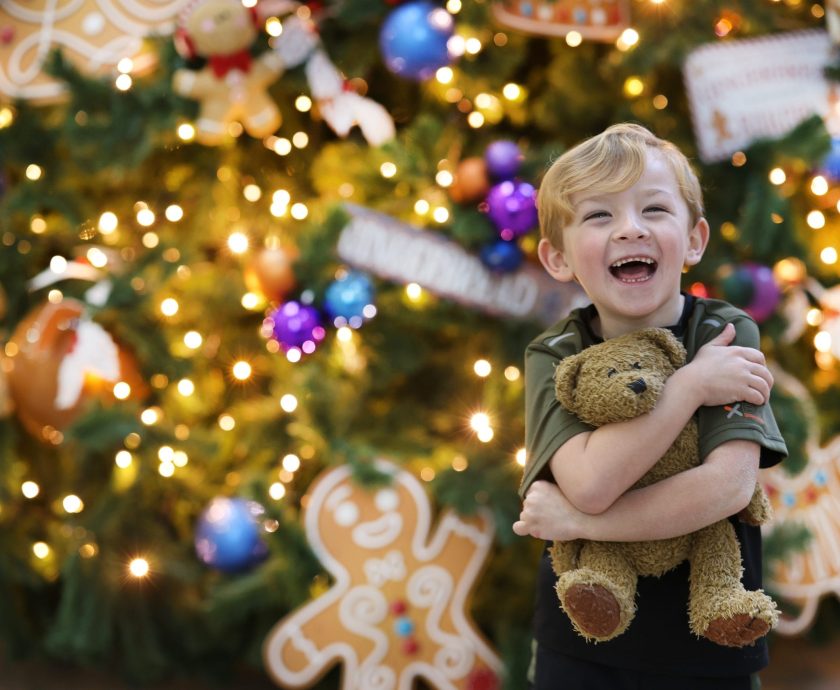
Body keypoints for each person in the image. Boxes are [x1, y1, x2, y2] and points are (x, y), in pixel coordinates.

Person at [512, 123, 787, 690]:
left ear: (694, 240)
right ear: (557, 257)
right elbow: (589, 482)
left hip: (710, 644)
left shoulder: (726, 335)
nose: (630, 229)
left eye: (654, 209)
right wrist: (688, 388)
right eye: (598, 215)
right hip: (583, 644)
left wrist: (574, 521)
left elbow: (727, 489)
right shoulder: (555, 355)